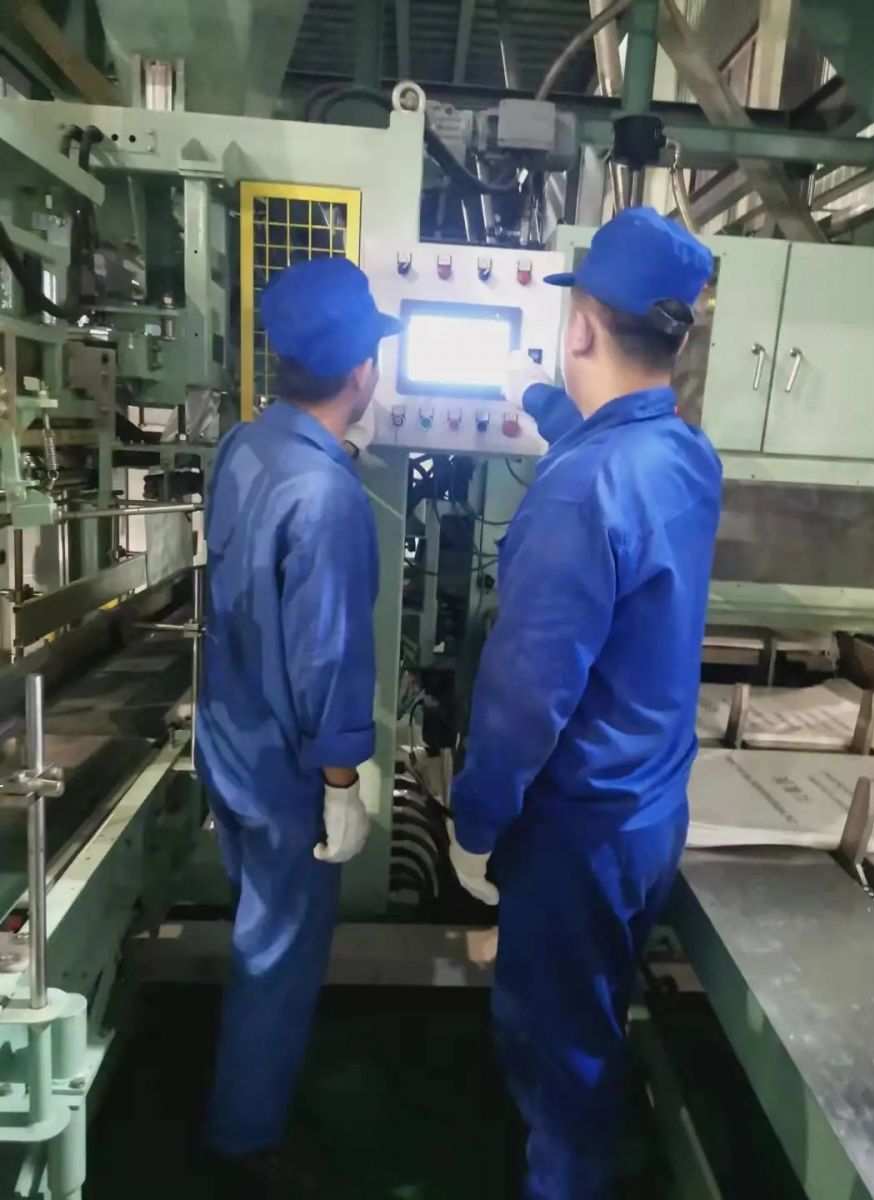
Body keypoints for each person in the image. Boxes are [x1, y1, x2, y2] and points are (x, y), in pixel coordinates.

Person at [449, 207, 722, 1200]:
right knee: (593, 1019)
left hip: (574, 835)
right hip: (648, 816)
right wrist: (545, 411)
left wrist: (476, 823)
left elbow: (526, 697)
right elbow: (618, 472)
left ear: (577, 328)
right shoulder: (686, 456)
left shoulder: (578, 494)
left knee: (556, 1052)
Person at [195, 256, 399, 1192]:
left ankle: (254, 1092)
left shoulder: (245, 447)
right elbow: (328, 659)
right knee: (277, 954)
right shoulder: (328, 498)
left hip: (230, 740)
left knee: (257, 927)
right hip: (288, 774)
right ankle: (245, 1140)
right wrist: (343, 784)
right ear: (361, 370)